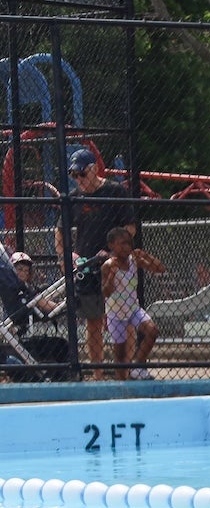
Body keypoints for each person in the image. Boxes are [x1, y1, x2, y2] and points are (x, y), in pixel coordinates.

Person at [55, 148, 136, 368]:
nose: (78, 180)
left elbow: (129, 227)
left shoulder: (115, 191)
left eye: (82, 174)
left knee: (123, 320)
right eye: (74, 176)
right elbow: (60, 230)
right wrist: (64, 257)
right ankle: (98, 372)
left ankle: (125, 370)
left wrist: (115, 254)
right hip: (87, 268)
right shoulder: (74, 199)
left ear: (94, 170)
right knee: (93, 322)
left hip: (114, 267)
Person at [99, 226, 163, 379]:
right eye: (122, 244)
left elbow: (160, 269)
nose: (126, 247)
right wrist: (112, 276)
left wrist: (146, 255)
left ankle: (138, 366)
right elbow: (106, 292)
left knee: (152, 331)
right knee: (120, 353)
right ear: (111, 246)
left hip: (133, 308)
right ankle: (123, 384)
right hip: (116, 312)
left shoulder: (134, 260)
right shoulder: (108, 265)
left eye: (128, 243)